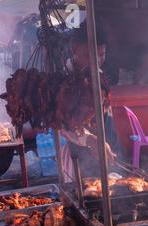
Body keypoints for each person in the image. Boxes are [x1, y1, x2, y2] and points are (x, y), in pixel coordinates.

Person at [62, 23, 121, 180]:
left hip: (108, 147)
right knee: (85, 197)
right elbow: (65, 126)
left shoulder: (98, 75)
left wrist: (108, 144)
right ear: (74, 48)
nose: (97, 61)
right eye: (89, 55)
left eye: (101, 55)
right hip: (79, 158)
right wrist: (91, 140)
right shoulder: (65, 81)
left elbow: (107, 115)